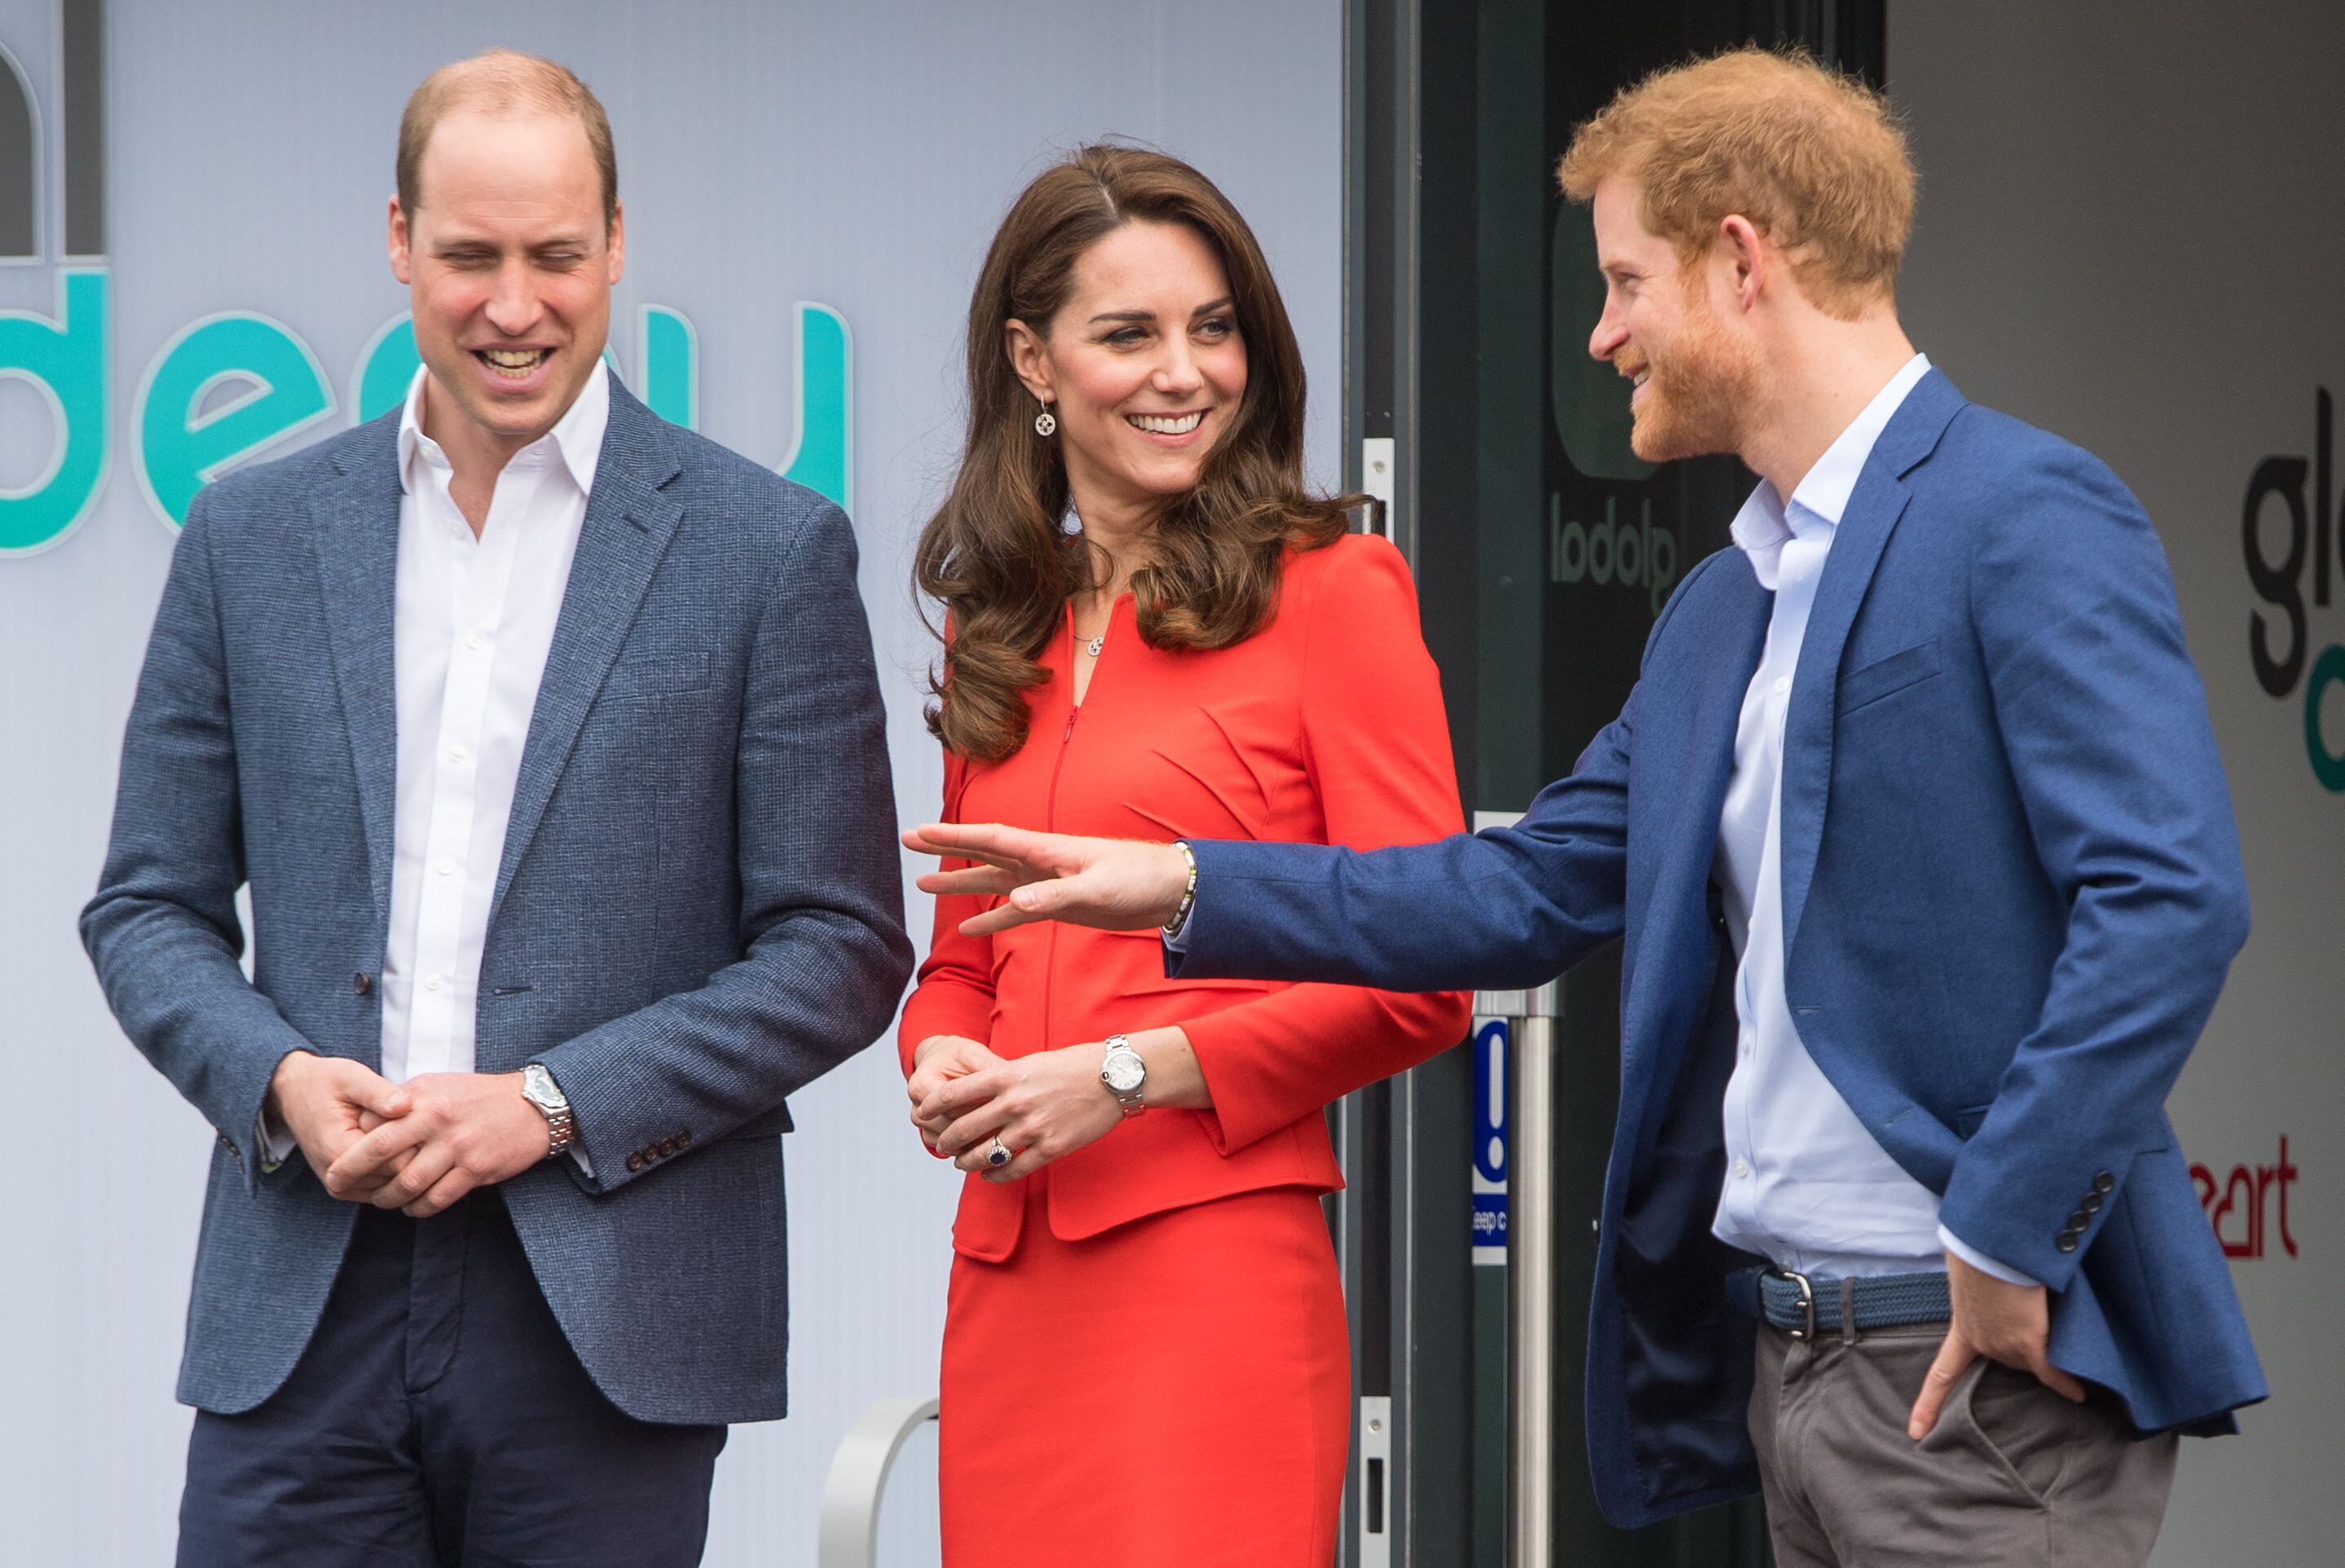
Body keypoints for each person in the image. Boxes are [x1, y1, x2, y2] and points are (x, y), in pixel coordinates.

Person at [906, 51, 2264, 1568]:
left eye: (1624, 282)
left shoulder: (2018, 512)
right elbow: (1515, 894)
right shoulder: (1721, 606)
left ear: (1738, 262)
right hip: (1789, 1369)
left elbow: (2169, 901)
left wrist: (2008, 1224)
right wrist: (1177, 887)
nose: (1603, 332)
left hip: (1967, 1360)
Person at [81, 51, 910, 1567]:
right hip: (302, 1294)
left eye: (555, 255)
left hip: (609, 1306)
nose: (513, 304)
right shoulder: (249, 533)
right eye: (469, 255)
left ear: (617, 244)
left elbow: (839, 946)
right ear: (397, 238)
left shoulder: (766, 549)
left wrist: (545, 1107)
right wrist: (276, 1082)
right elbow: (146, 905)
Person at [899, 144, 1470, 1566]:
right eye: (1128, 334)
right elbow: (957, 968)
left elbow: (1427, 969)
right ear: (1032, 360)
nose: (1184, 372)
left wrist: (1120, 1076)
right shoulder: (1000, 624)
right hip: (1009, 1281)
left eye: (1212, 328)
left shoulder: (1336, 593)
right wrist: (943, 1060)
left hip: (1210, 1280)